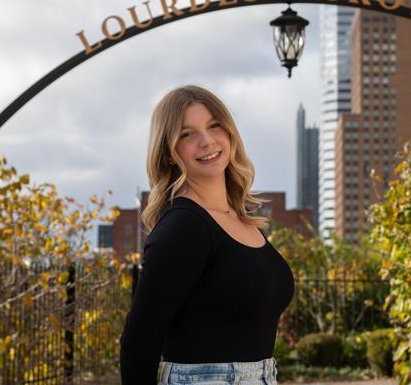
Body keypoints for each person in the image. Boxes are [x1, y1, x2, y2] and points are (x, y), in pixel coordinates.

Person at [120, 85, 295, 384]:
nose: (206, 141)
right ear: (170, 152)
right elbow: (139, 340)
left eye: (214, 126)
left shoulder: (242, 221)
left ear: (229, 133)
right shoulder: (183, 227)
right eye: (187, 134)